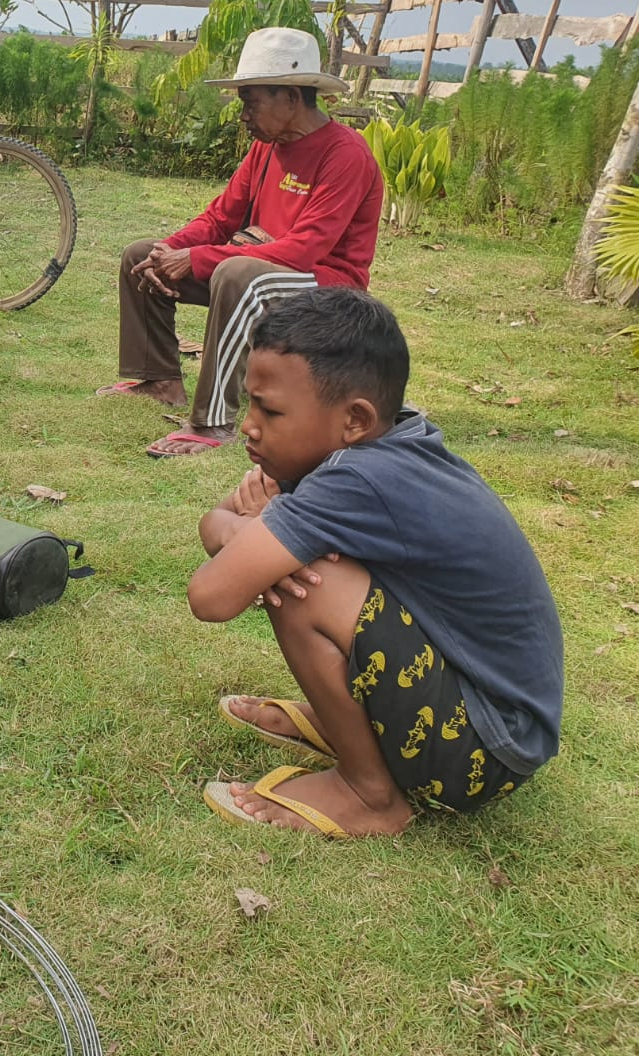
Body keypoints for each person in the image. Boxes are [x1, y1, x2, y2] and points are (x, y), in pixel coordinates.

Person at [186, 288, 562, 838]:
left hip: (485, 749)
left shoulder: (358, 479)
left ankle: (369, 794)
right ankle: (351, 727)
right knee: (300, 564)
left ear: (355, 419)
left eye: (270, 410)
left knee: (307, 586)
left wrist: (249, 538)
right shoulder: (371, 443)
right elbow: (213, 524)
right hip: (493, 720)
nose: (249, 424)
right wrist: (243, 531)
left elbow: (212, 595)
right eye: (250, 403)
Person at [104, 27, 383, 457]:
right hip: (264, 267)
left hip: (329, 287)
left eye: (251, 103)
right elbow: (220, 217)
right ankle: (160, 381)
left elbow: (305, 249)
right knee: (140, 255)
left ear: (291, 97)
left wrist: (199, 258)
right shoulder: (266, 149)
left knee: (238, 274)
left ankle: (211, 423)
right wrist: (169, 249)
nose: (243, 115)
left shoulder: (346, 154)